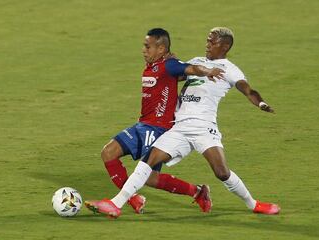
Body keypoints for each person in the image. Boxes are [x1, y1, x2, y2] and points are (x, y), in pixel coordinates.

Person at [86, 27, 280, 219]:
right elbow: (182, 72)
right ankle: (115, 204)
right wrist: (171, 63)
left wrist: (261, 103)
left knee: (221, 172)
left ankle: (254, 204)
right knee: (149, 160)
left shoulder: (230, 70)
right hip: (178, 127)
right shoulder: (197, 61)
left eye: (212, 42)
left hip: (203, 126)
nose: (207, 44)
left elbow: (247, 90)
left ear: (225, 46)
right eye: (207, 40)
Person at [90, 28, 224, 214]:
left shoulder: (169, 65)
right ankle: (194, 192)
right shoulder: (156, 66)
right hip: (143, 125)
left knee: (142, 173)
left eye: (148, 46)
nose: (143, 50)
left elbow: (191, 68)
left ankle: (123, 202)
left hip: (157, 129)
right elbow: (181, 75)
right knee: (114, 156)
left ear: (161, 49)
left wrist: (207, 70)